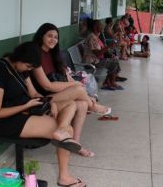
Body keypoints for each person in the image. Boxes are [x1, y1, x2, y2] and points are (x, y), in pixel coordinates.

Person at [0, 42, 86, 186]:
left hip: (26, 110)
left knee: (71, 104)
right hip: (8, 120)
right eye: (28, 66)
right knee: (68, 130)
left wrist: (49, 101)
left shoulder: (20, 67)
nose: (29, 70)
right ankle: (64, 177)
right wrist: (25, 106)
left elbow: (33, 93)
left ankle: (61, 133)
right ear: (19, 58)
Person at [32, 23, 112, 157]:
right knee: (79, 89)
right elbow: (47, 86)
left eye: (56, 37)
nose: (53, 40)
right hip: (44, 98)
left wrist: (76, 85)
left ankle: (76, 144)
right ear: (41, 36)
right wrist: (74, 86)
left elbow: (67, 76)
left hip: (57, 94)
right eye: (49, 36)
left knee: (82, 103)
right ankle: (94, 107)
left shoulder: (54, 54)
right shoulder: (36, 56)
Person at [83, 20, 125, 90]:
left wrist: (109, 54)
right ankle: (111, 82)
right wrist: (108, 46)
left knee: (114, 60)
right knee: (114, 62)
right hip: (91, 62)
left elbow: (101, 50)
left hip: (96, 60)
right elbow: (97, 53)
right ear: (95, 27)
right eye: (100, 25)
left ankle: (108, 82)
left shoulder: (96, 37)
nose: (102, 26)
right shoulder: (91, 38)